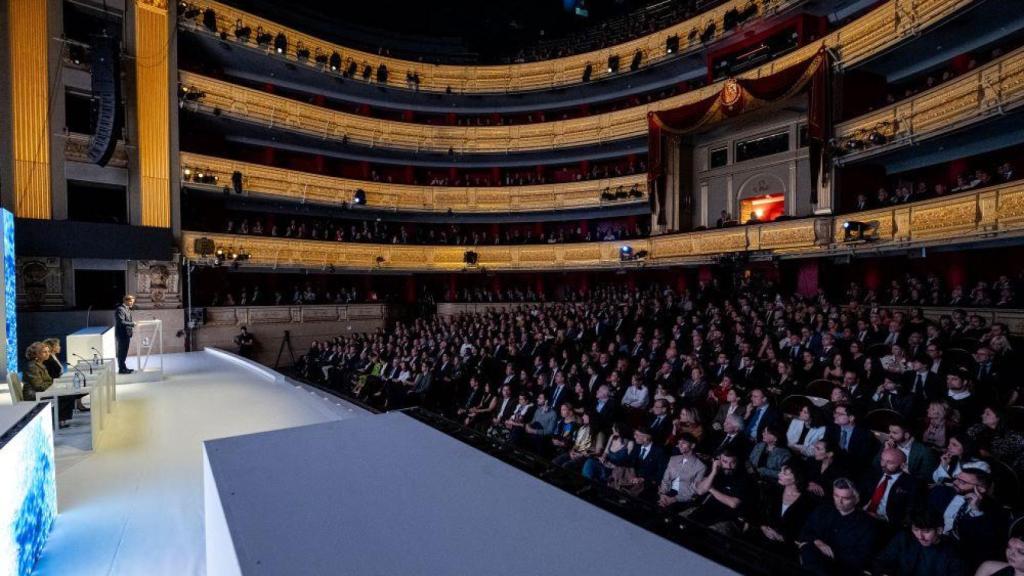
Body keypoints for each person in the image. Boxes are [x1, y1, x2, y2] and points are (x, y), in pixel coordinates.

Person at [798, 477, 878, 576]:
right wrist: (817, 541)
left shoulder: (867, 524)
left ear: (856, 499)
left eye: (845, 498)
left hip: (841, 568)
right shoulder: (823, 510)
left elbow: (861, 558)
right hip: (814, 557)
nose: (839, 501)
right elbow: (805, 532)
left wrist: (832, 553)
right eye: (836, 496)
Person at [750, 464, 814, 558]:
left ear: (796, 478)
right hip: (762, 534)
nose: (779, 474)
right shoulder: (772, 490)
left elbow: (803, 529)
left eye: (785, 473)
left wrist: (781, 537)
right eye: (780, 471)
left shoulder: (806, 502)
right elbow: (759, 512)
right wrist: (763, 527)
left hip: (785, 545)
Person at [872, 511, 965, 576]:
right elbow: (881, 561)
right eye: (915, 529)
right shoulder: (904, 538)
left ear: (939, 530)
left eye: (926, 531)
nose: (920, 536)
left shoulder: (954, 552)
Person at [22, 342, 72, 428]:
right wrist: (54, 387)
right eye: (44, 352)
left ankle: (59, 420)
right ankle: (56, 421)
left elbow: (47, 381)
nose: (48, 353)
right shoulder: (32, 366)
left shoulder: (41, 364)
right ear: (36, 354)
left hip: (41, 391)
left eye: (48, 351)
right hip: (34, 394)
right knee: (65, 396)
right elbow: (38, 386)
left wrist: (54, 385)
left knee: (67, 394)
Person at [657, 433, 706, 511]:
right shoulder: (673, 459)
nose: (680, 445)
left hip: (683, 498)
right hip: (667, 492)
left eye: (683, 443)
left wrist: (674, 499)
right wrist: (663, 494)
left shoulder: (701, 467)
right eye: (679, 443)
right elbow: (666, 479)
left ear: (692, 446)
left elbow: (693, 491)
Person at [115, 294, 136, 374]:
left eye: (133, 302)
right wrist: (132, 324)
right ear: (126, 301)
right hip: (122, 334)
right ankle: (121, 369)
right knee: (121, 352)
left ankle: (124, 367)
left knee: (124, 352)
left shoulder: (127, 309)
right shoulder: (120, 309)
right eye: (131, 302)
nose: (132, 303)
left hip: (126, 334)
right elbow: (121, 322)